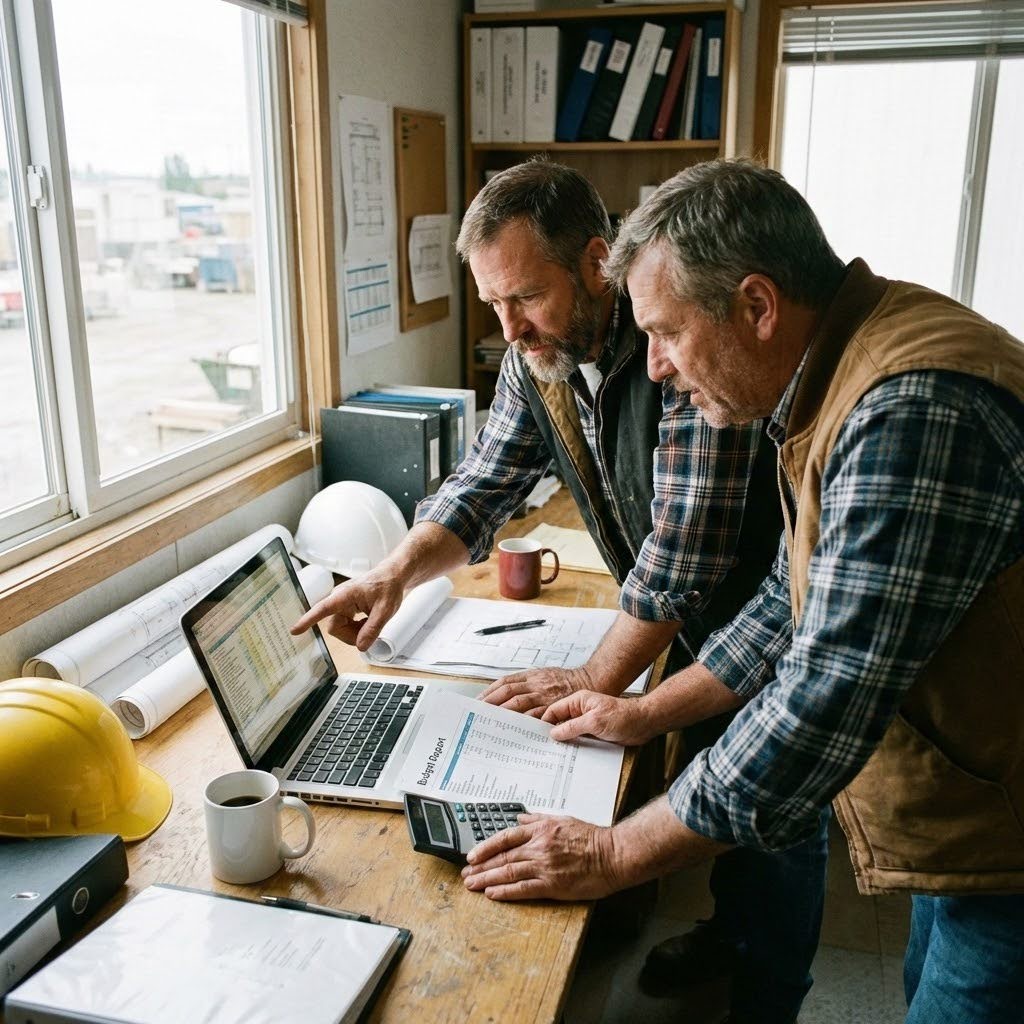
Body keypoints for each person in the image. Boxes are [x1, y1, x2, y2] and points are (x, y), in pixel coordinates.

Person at [458, 158, 1024, 1023]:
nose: (652, 368)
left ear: (757, 306)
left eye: (667, 332)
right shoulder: (839, 374)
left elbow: (820, 702)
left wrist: (613, 854)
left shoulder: (908, 410)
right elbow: (790, 603)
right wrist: (649, 714)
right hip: (979, 810)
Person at [293, 159, 828, 1023]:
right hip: (673, 630)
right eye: (492, 305)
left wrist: (594, 679)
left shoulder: (674, 336)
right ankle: (728, 933)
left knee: (773, 818)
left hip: (761, 621)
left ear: (593, 261)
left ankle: (768, 989)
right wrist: (392, 569)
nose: (509, 328)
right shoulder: (534, 355)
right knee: (706, 798)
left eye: (526, 298)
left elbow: (684, 551)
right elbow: (485, 483)